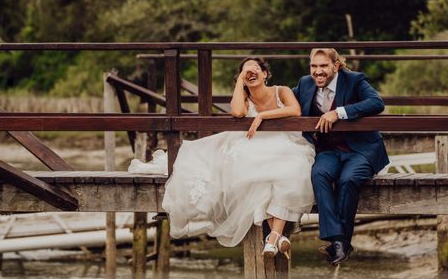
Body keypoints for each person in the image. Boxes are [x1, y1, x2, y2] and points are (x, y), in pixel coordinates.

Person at [131, 57, 315, 256]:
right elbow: (237, 112)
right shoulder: (244, 97)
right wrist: (239, 82)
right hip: (253, 144)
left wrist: (262, 116)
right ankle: (277, 238)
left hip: (282, 143)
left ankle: (272, 239)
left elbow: (295, 110)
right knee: (260, 181)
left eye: (255, 69)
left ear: (265, 74)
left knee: (289, 172)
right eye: (246, 71)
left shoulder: (282, 91)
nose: (250, 73)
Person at [293, 48, 389, 265]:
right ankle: (339, 241)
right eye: (314, 66)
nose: (318, 71)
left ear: (335, 66)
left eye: (323, 66)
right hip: (328, 150)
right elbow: (283, 100)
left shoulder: (354, 80)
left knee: (348, 180)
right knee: (318, 174)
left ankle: (340, 242)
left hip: (360, 150)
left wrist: (339, 113)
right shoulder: (305, 84)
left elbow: (376, 103)